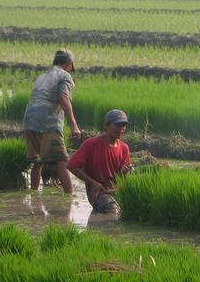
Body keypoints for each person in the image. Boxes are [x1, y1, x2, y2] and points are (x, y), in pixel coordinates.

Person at [23, 49, 81, 194]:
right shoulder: (64, 76)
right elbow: (63, 98)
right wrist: (74, 125)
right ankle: (69, 197)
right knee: (62, 160)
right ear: (68, 64)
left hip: (29, 120)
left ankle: (34, 195)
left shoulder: (42, 76)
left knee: (37, 162)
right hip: (48, 121)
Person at [67, 109, 132, 213]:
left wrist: (124, 173)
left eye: (123, 125)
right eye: (117, 125)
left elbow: (121, 177)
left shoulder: (124, 148)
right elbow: (71, 165)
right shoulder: (92, 144)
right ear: (106, 125)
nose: (121, 129)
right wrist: (93, 183)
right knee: (112, 211)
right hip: (100, 192)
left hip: (117, 190)